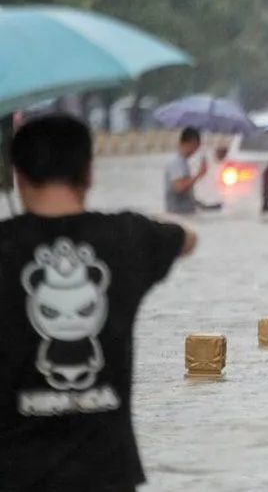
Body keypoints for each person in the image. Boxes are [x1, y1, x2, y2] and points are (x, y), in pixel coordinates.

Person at [0, 115, 196, 490]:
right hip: (107, 476)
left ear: (17, 176)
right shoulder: (128, 238)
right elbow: (188, 238)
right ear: (89, 173)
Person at [164, 127, 207, 215]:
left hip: (186, 214)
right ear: (192, 142)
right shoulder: (176, 163)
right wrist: (199, 174)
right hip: (179, 216)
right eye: (197, 145)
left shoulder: (183, 163)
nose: (197, 149)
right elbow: (179, 188)